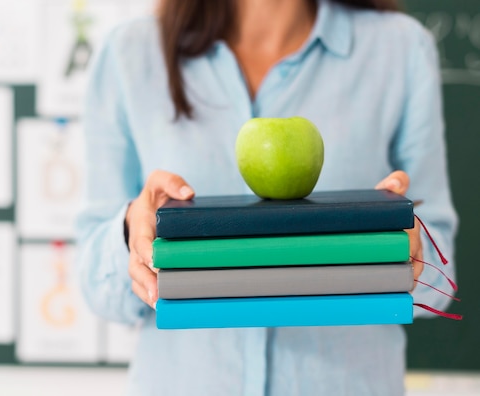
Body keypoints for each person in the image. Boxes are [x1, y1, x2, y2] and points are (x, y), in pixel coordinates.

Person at [76, 0, 458, 394]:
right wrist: (130, 236)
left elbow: (442, 278)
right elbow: (93, 283)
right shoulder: (130, 52)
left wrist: (407, 250)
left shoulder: (400, 48)